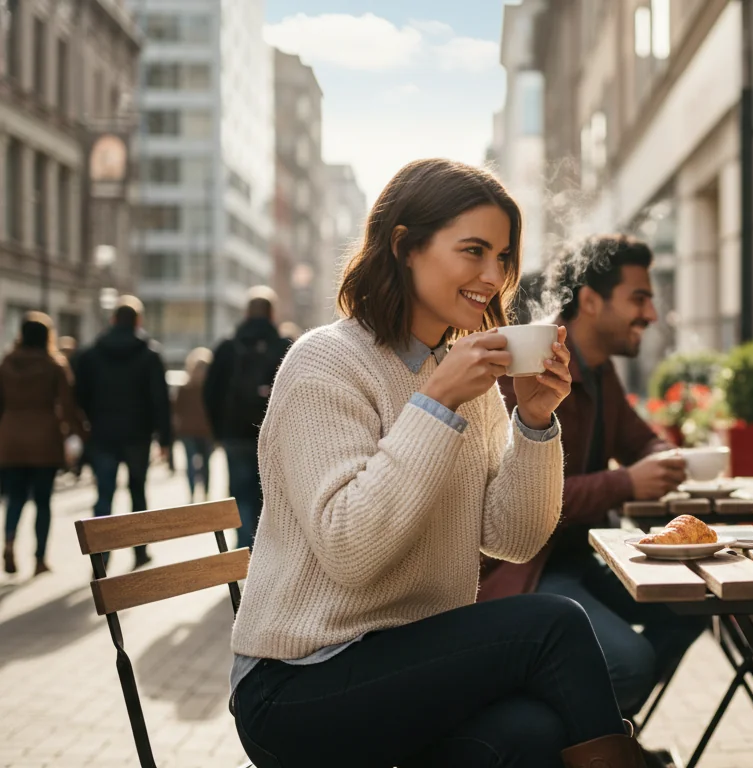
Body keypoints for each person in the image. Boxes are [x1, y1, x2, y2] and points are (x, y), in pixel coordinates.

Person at [229, 158, 645, 768]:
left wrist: (534, 423)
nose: (492, 275)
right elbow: (351, 549)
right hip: (298, 683)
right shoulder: (326, 364)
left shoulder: (459, 370)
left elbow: (513, 539)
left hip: (403, 663)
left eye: (502, 257)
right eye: (472, 250)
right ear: (405, 247)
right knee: (554, 626)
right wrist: (436, 402)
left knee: (536, 730)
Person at [484, 234, 704, 724]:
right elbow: (514, 499)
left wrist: (660, 458)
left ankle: (604, 733)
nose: (649, 313)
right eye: (639, 298)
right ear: (589, 301)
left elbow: (641, 441)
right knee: (630, 665)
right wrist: (627, 483)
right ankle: (577, 744)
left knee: (696, 603)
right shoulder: (527, 368)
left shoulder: (601, 372)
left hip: (584, 555)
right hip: (525, 571)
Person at [75, 296, 173, 570]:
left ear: (113, 320)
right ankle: (140, 550)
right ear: (138, 322)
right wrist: (164, 439)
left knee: (104, 493)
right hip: (138, 436)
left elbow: (79, 395)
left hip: (103, 434)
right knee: (137, 492)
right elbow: (160, 400)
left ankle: (101, 555)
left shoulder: (91, 354)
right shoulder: (150, 354)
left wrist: (91, 421)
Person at [204, 287, 291, 549]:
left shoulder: (227, 348)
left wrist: (219, 431)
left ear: (246, 313)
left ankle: (244, 551)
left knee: (240, 492)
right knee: (272, 496)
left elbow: (210, 392)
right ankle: (268, 553)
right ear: (272, 314)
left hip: (235, 433)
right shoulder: (284, 347)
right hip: (275, 436)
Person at [0, 313, 86, 576]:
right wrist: (81, 433)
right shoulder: (54, 365)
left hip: (11, 438)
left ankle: (10, 541)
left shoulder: (6, 364)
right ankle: (39, 558)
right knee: (42, 501)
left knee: (14, 498)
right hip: (45, 440)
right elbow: (68, 406)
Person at [175, 347, 214, 502]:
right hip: (206, 431)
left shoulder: (185, 387)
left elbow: (176, 409)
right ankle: (205, 494)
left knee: (191, 463)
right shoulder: (210, 388)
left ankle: (191, 494)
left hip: (188, 431)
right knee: (205, 464)